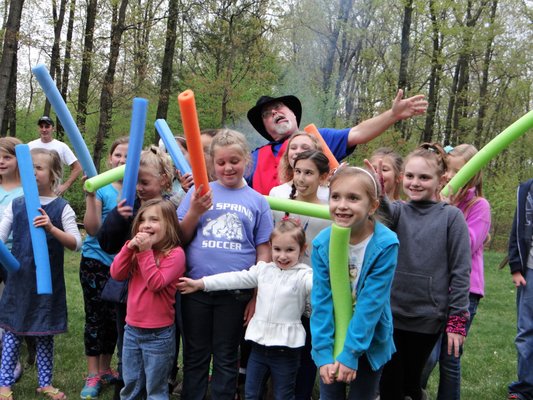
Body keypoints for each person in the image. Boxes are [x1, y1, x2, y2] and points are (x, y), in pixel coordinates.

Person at [177, 129, 273, 400]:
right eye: (221, 162)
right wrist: (195, 210)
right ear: (212, 163)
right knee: (195, 354)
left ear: (246, 161)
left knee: (226, 354)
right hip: (194, 290)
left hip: (236, 294)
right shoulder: (199, 193)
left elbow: (263, 250)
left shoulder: (258, 202)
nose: (228, 167)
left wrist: (256, 294)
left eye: (234, 161)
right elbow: (180, 237)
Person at [377, 143, 471, 400]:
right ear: (401, 178)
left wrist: (457, 320)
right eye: (410, 176)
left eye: (424, 177)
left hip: (427, 318)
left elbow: (461, 271)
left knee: (411, 382)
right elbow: (377, 209)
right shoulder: (398, 211)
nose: (415, 182)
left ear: (440, 181)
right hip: (391, 315)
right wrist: (377, 188)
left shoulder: (452, 218)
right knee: (389, 383)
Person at [179, 218, 311, 399]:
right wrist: (201, 283)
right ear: (271, 247)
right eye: (277, 249)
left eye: (290, 250)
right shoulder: (263, 270)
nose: (282, 256)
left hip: (286, 350)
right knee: (251, 393)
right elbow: (234, 278)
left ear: (302, 250)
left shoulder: (304, 275)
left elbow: (321, 288)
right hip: (258, 348)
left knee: (283, 395)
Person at [311, 165, 399, 400]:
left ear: (372, 206)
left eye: (353, 198)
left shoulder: (386, 244)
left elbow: (371, 304)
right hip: (331, 338)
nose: (342, 205)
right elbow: (321, 301)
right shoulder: (322, 244)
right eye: (335, 197)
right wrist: (323, 354)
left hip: (369, 340)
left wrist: (351, 353)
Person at [0, 148, 82, 400]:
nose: (33, 171)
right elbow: (1, 238)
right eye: (30, 166)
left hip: (49, 283)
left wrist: (51, 227)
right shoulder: (17, 204)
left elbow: (75, 243)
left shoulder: (61, 207)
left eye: (39, 167)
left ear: (54, 174)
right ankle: (3, 384)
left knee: (46, 331)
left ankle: (45, 383)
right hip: (20, 279)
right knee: (14, 331)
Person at [97, 145, 174, 400]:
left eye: (144, 181)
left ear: (163, 180)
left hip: (159, 300)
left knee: (156, 363)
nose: (139, 187)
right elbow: (107, 244)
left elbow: (178, 244)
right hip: (127, 298)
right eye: (134, 181)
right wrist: (118, 217)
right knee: (127, 354)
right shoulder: (128, 208)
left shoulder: (169, 210)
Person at [246, 90, 428, 194]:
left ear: (293, 114)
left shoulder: (319, 138)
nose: (274, 113)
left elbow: (358, 132)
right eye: (267, 115)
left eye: (278, 108)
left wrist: (392, 115)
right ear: (265, 126)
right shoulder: (254, 157)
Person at [420, 144, 491, 399]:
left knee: (450, 356)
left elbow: (465, 245)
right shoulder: (434, 199)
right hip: (435, 288)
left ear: (471, 174)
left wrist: (447, 212)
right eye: (447, 168)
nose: (449, 175)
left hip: (464, 294)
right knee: (425, 354)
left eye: (457, 170)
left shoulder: (478, 205)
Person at [271, 150, 332, 399]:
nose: (302, 178)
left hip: (313, 293)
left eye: (309, 173)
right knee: (281, 350)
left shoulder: (331, 212)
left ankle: (303, 394)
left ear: (323, 177)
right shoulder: (281, 206)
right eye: (298, 171)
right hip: (283, 290)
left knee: (308, 351)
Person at [110, 199, 185, 400]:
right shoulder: (136, 251)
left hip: (159, 336)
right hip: (132, 330)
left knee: (155, 390)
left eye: (154, 219)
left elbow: (156, 283)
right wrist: (128, 248)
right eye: (142, 219)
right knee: (131, 385)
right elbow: (116, 274)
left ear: (169, 225)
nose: (146, 224)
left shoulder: (175, 255)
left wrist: (145, 253)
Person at [79, 137, 128, 399]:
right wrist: (89, 196)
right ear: (110, 159)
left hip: (121, 266)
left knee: (114, 320)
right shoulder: (101, 188)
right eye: (118, 155)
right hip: (95, 263)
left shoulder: (135, 190)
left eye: (128, 157)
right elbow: (92, 229)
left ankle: (107, 368)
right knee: (96, 318)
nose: (122, 161)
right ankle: (92, 373)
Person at [0, 137, 24, 383]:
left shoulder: (27, 189)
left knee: (11, 307)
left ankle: (12, 359)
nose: (1, 161)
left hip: (16, 255)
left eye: (7, 157)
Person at [507, 177, 533, 400]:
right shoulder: (526, 190)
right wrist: (516, 267)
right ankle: (524, 387)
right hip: (530, 271)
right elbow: (517, 230)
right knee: (526, 330)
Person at [28, 116, 82, 196]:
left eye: (47, 127)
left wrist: (65, 185)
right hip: (32, 193)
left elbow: (77, 167)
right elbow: (20, 167)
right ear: (38, 128)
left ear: (53, 129)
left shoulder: (61, 146)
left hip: (53, 193)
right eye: (41, 127)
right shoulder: (30, 146)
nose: (44, 129)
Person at [269, 132, 330, 203]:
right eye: (293, 148)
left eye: (305, 148)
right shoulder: (277, 194)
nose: (298, 151)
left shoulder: (330, 194)